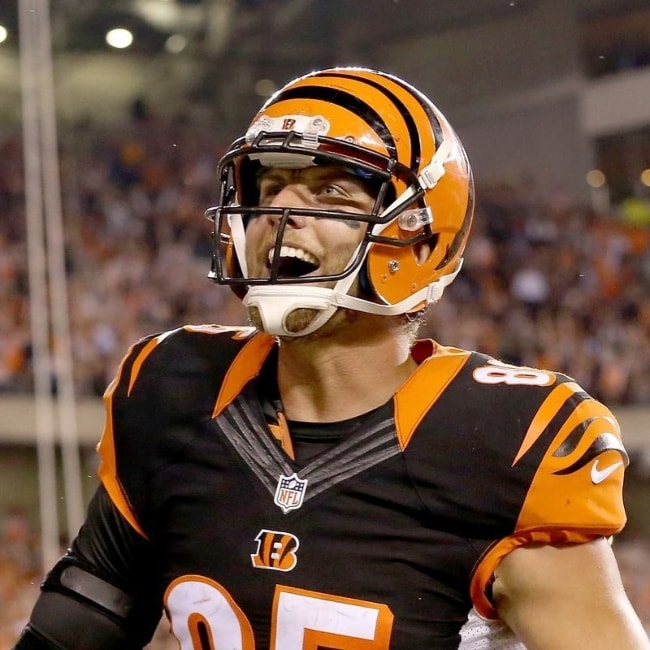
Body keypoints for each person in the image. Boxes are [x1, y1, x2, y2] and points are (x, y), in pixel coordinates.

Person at [13, 67, 650, 650]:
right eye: (271, 186)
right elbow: (81, 621)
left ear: (419, 233)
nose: (283, 213)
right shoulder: (173, 390)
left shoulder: (502, 440)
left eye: (332, 193)